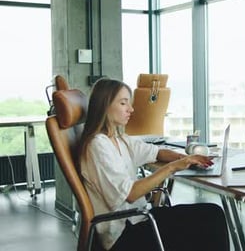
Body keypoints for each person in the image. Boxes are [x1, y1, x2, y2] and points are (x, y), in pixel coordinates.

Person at [78, 78, 230, 251]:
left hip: (140, 218)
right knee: (210, 220)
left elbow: (155, 152)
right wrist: (173, 166)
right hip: (124, 233)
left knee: (212, 213)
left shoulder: (120, 139)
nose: (131, 109)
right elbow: (130, 193)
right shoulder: (98, 146)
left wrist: (187, 158)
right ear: (104, 106)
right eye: (123, 103)